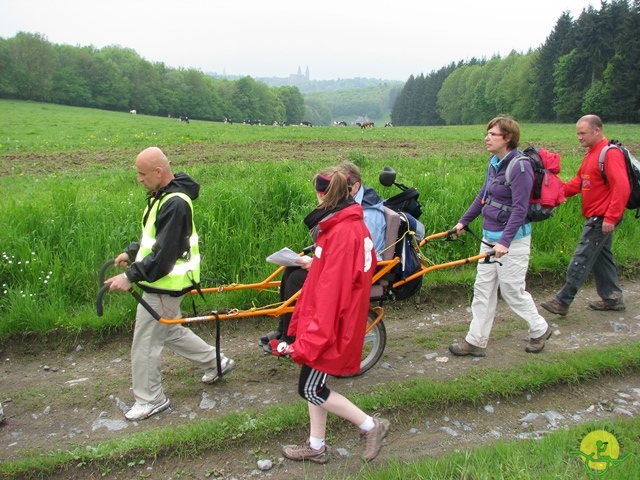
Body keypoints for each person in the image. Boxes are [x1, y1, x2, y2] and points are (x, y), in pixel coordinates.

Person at [106, 146, 235, 421]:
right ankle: (218, 362)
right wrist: (131, 253)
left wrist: (130, 277)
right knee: (171, 331)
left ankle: (151, 399)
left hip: (164, 285)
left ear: (158, 171)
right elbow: (156, 237)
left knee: (144, 342)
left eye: (142, 174)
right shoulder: (163, 196)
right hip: (166, 284)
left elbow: (164, 256)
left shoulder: (174, 203)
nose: (139, 179)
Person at [272, 166, 390, 463]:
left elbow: (330, 297)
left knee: (309, 389)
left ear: (322, 193)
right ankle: (316, 445)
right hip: (333, 320)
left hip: (330, 325)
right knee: (315, 385)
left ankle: (370, 425)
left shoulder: (341, 231)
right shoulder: (348, 224)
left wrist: (308, 341)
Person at [448, 116, 552, 357]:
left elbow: (519, 208)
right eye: (487, 133)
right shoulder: (493, 162)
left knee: (512, 291)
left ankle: (539, 328)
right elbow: (483, 195)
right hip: (488, 238)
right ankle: (476, 340)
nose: (487, 137)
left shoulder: (520, 166)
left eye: (492, 134)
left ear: (507, 138)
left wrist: (505, 241)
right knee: (482, 289)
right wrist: (463, 221)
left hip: (513, 242)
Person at [259, 162, 387, 350]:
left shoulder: (364, 216)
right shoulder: (347, 210)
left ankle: (292, 336)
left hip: (357, 273)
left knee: (296, 278)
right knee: (291, 271)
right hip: (339, 266)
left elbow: (361, 256)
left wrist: (318, 263)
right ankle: (285, 329)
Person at [541, 115, 629, 316]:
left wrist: (611, 216)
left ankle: (562, 301)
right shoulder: (592, 154)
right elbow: (580, 182)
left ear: (597, 130)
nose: (579, 137)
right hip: (598, 216)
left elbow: (621, 187)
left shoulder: (610, 154)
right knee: (601, 258)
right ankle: (612, 298)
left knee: (581, 257)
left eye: (583, 133)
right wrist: (554, 194)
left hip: (602, 217)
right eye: (577, 134)